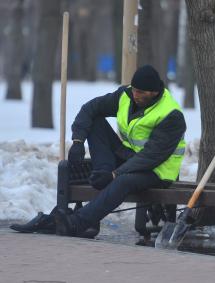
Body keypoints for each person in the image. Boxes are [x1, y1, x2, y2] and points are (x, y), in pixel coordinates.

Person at [11, 65, 186, 237]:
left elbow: (150, 157)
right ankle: (100, 173)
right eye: (134, 90)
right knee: (95, 121)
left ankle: (76, 223)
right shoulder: (126, 95)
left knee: (123, 182)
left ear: (154, 92)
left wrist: (114, 175)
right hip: (130, 158)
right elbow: (90, 108)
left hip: (157, 171)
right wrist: (78, 141)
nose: (135, 95)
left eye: (141, 92)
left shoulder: (171, 115)